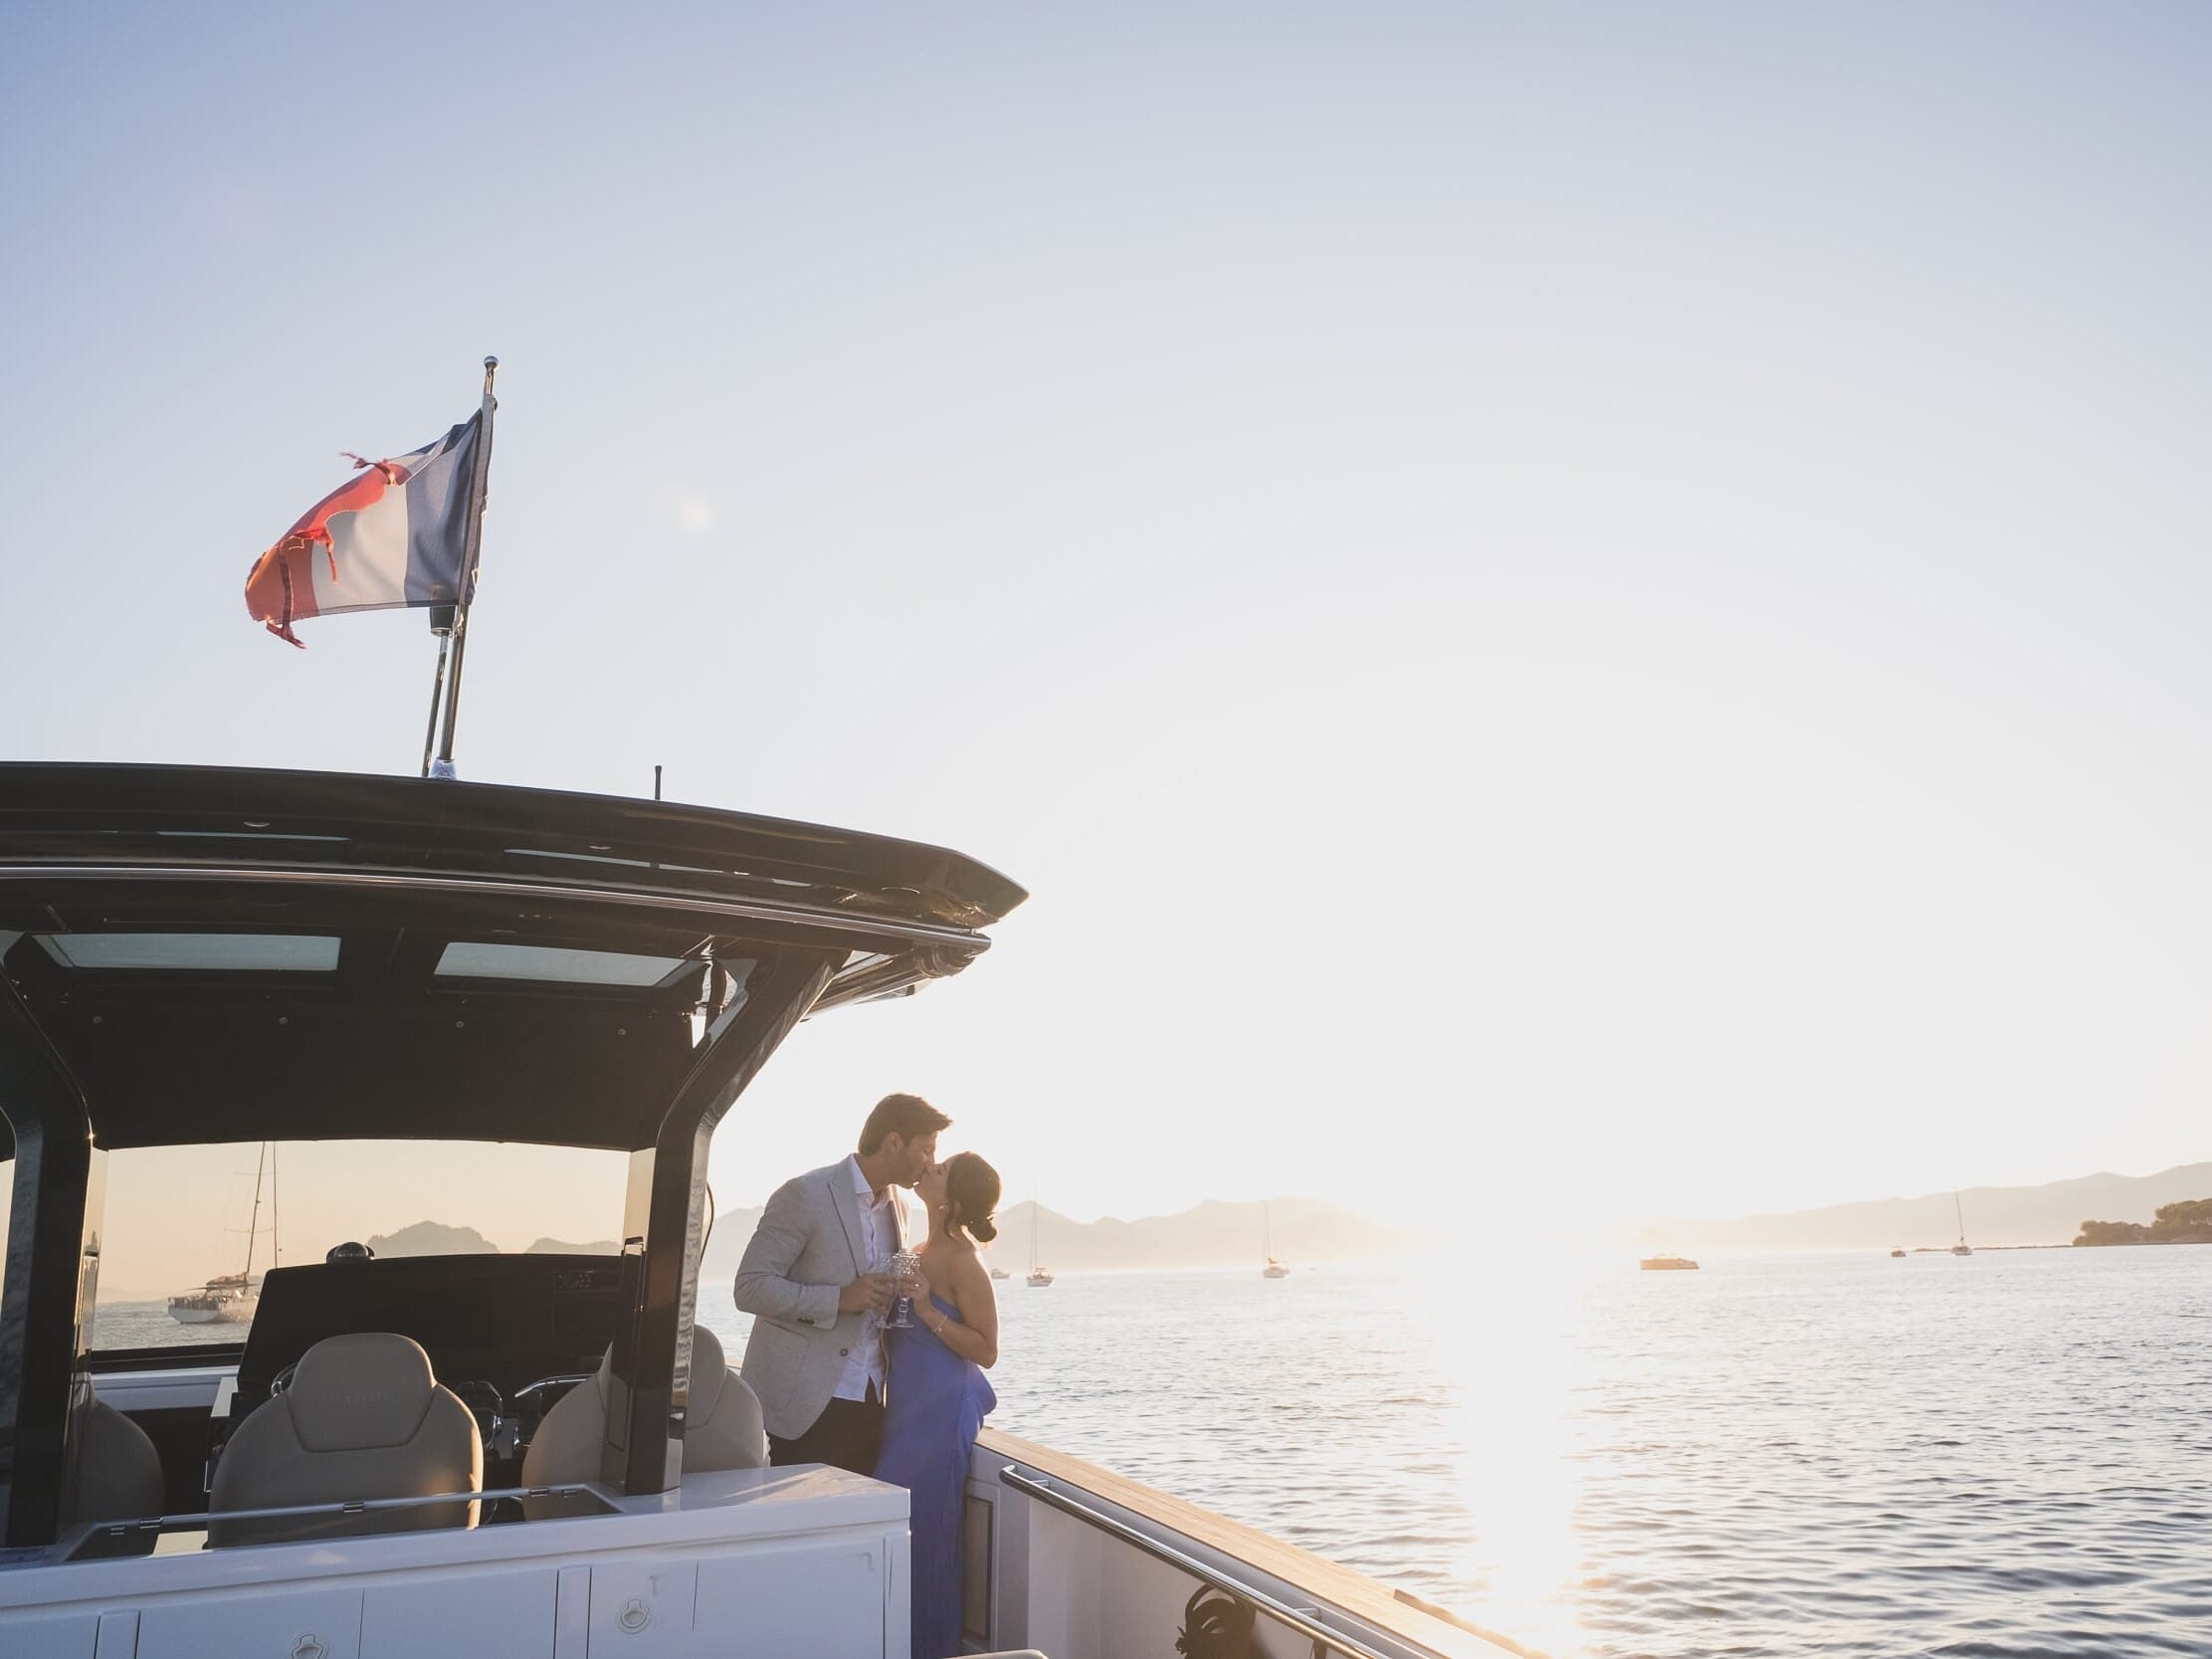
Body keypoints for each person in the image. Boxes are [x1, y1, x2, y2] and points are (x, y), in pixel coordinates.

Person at [731, 1093, 949, 1473]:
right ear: (894, 1142)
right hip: (803, 1403)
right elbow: (750, 1287)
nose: (931, 1162)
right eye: (926, 1149)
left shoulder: (899, 1206)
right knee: (800, 1525)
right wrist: (838, 1300)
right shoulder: (805, 1194)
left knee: (853, 1525)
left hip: (869, 1397)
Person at [874, 1150, 1002, 1659]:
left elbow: (988, 1350)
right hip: (903, 1411)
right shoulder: (916, 1247)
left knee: (925, 1539)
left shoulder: (964, 1260)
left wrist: (926, 1309)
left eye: (942, 1168)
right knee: (900, 1537)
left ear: (951, 1198)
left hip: (941, 1414)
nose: (929, 1166)